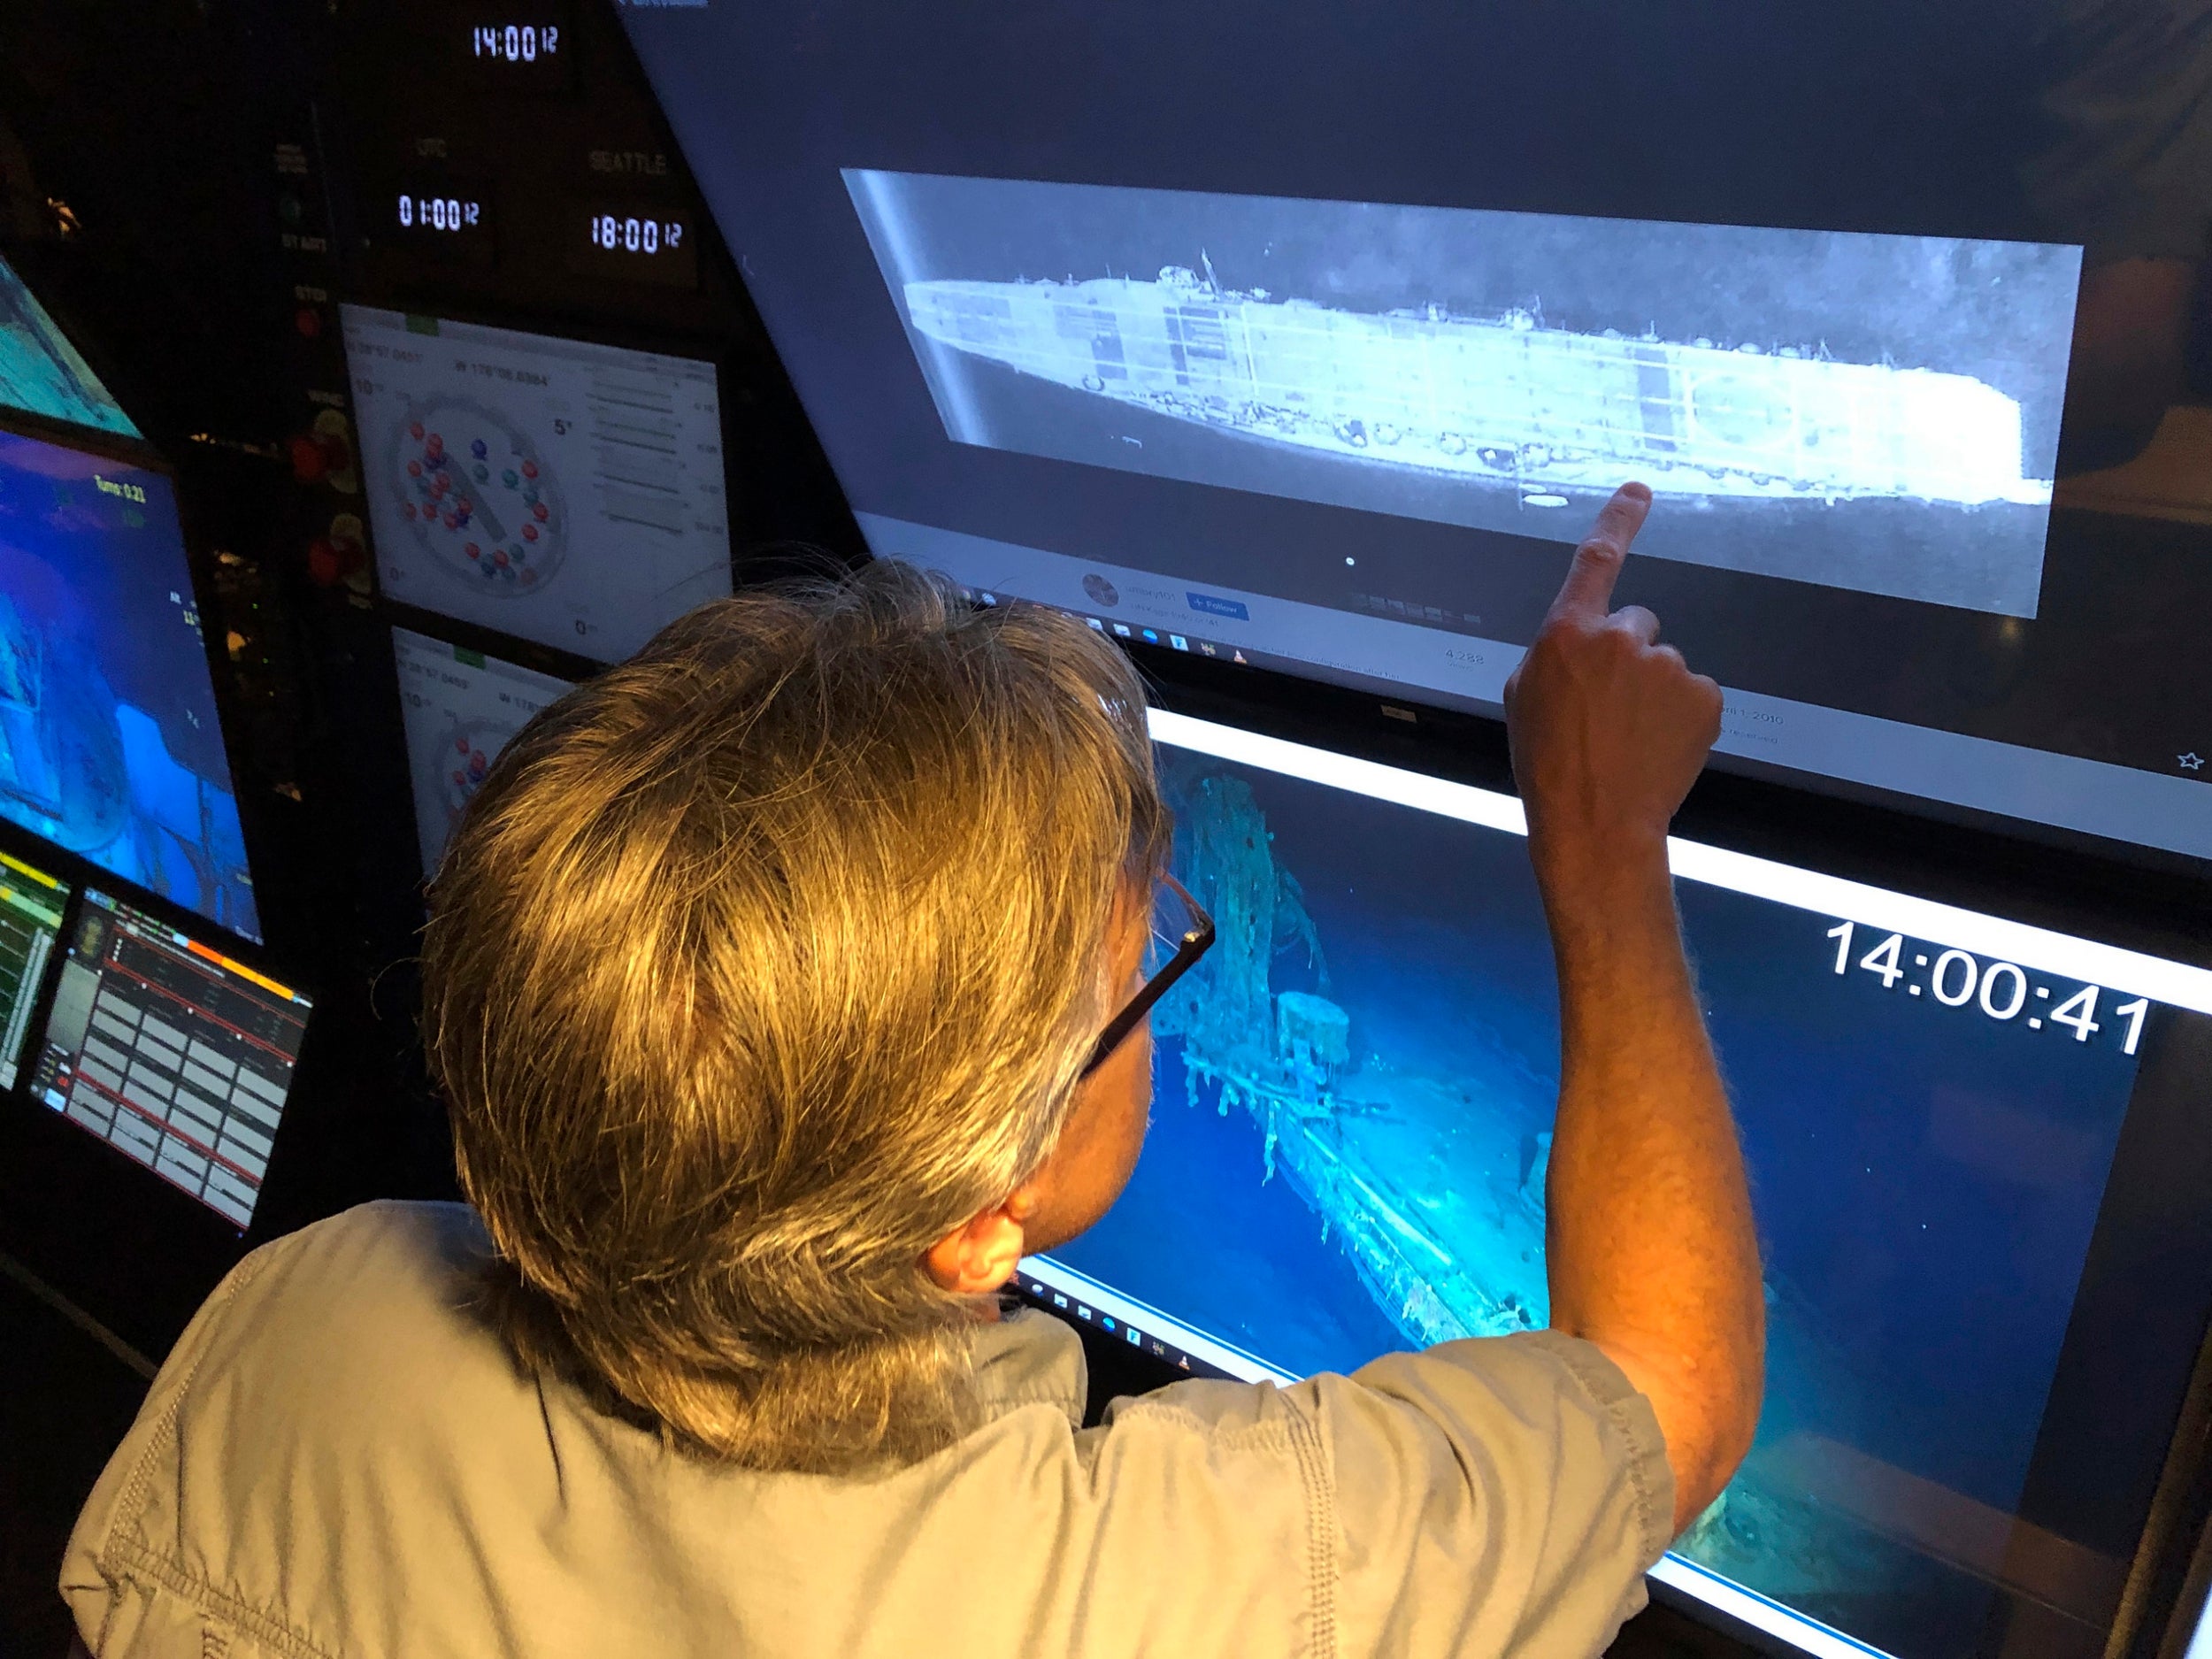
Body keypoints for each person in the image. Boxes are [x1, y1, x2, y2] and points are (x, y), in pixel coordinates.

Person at [59, 484, 1761, 1657]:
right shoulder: (1179, 1598)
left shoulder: (306, 1308)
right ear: (971, 1229)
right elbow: (1669, 1395)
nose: (1155, 968)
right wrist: (1603, 835)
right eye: (1139, 967)